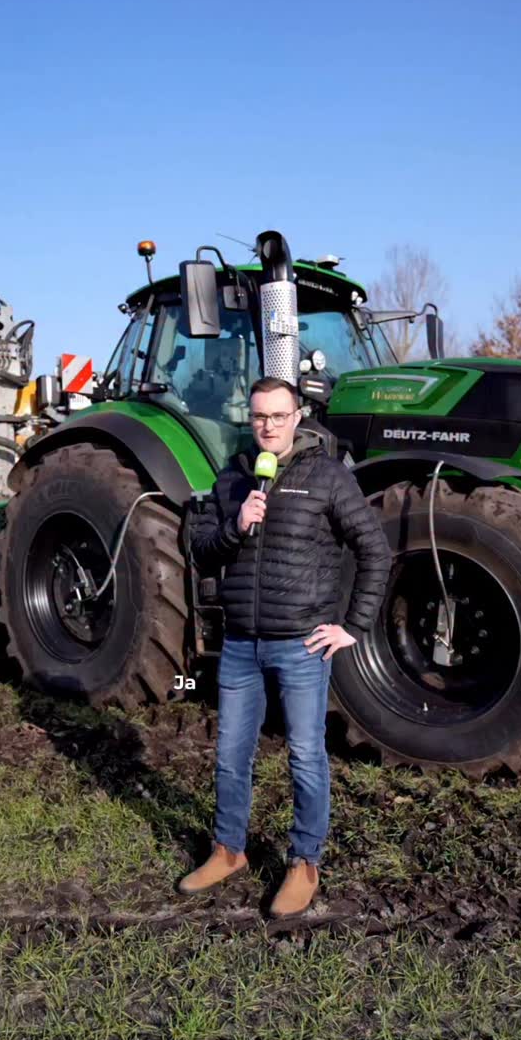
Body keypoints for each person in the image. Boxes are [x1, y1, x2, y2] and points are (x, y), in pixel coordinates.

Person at [178, 377, 392, 917]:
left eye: (278, 415)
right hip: (240, 644)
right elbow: (201, 550)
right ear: (249, 418)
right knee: (231, 754)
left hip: (300, 645)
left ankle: (303, 863)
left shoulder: (327, 476)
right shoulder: (233, 477)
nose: (268, 426)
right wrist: (236, 525)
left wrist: (353, 626)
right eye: (258, 416)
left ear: (297, 417)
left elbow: (374, 550)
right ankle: (228, 851)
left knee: (305, 755)